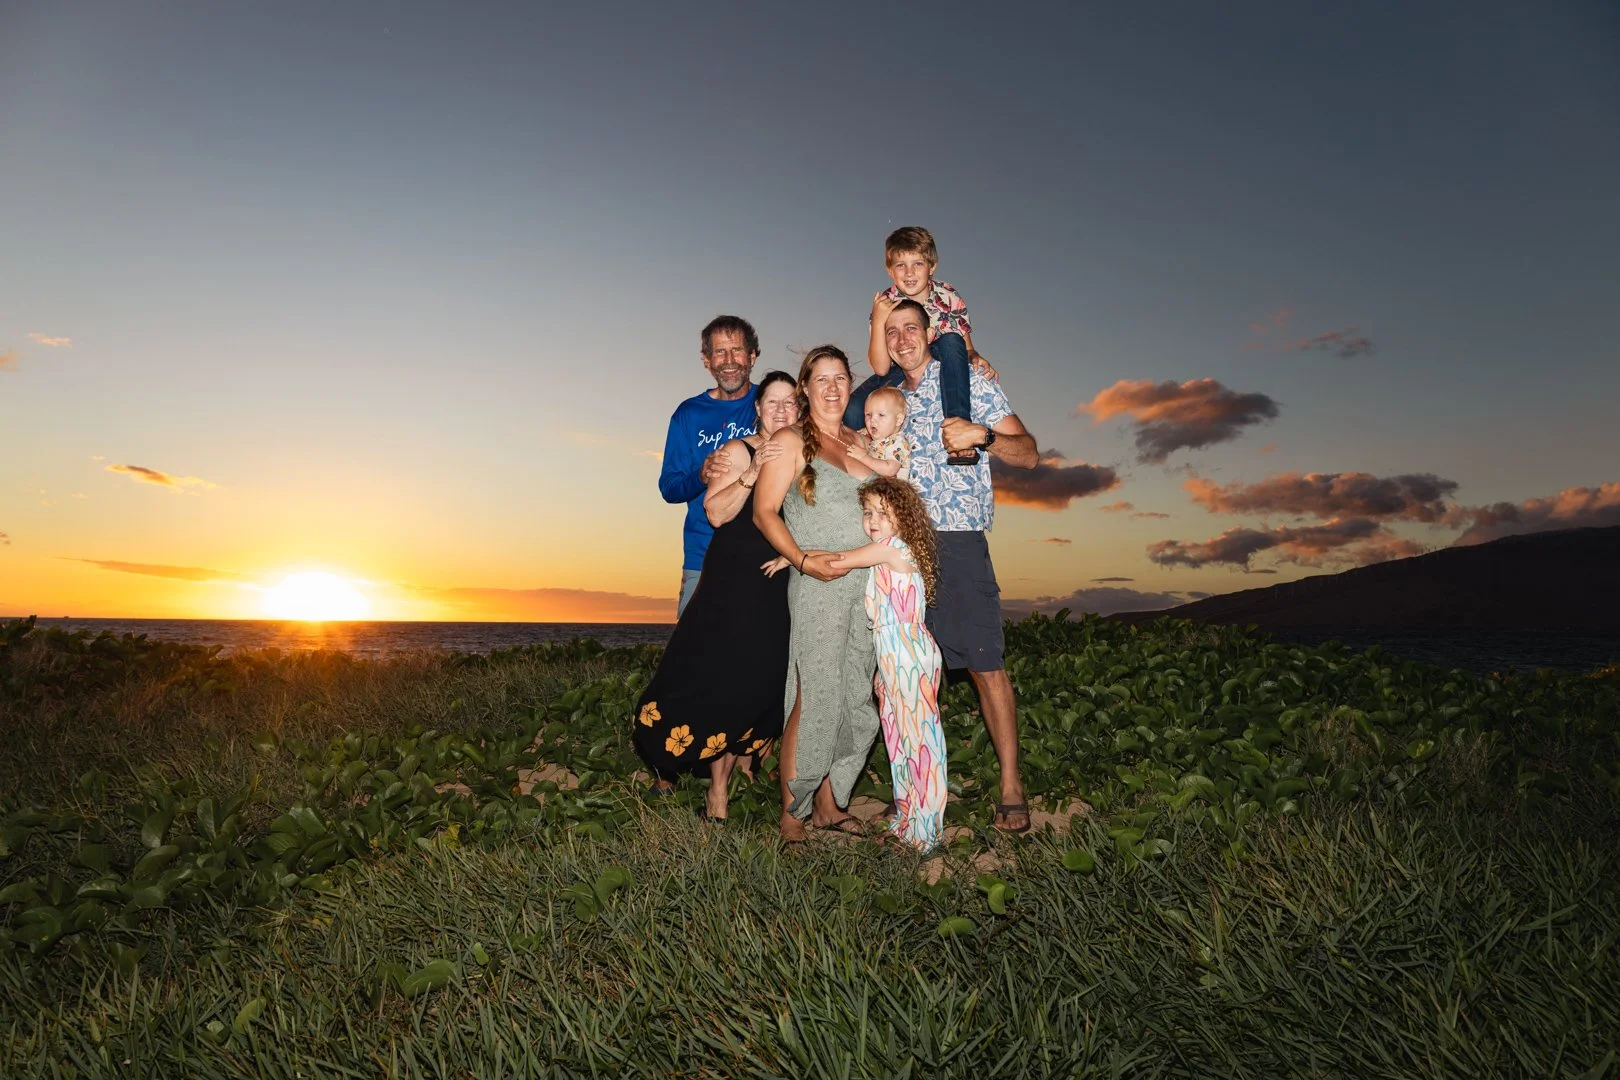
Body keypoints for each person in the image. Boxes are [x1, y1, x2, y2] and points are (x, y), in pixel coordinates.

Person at [884, 298, 1041, 834]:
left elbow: (1030, 453)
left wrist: (983, 436)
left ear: (929, 333)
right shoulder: (887, 400)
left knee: (984, 664)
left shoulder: (968, 383)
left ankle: (1011, 785)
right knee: (908, 675)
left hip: (958, 540)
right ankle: (916, 786)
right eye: (891, 331)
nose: (902, 339)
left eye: (911, 327)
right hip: (900, 550)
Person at [633, 372, 801, 818]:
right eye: (772, 402)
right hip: (731, 581)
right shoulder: (737, 450)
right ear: (758, 408)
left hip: (778, 583)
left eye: (790, 402)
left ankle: (747, 766)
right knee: (719, 676)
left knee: (760, 678)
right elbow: (715, 512)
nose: (781, 410)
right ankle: (717, 792)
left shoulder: (804, 455)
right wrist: (753, 470)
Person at [753, 345, 880, 842]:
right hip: (819, 585)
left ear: (850, 385)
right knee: (815, 696)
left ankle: (828, 805)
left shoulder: (860, 440)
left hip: (867, 585)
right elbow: (764, 512)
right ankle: (792, 817)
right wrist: (802, 559)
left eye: (840, 378)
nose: (831, 387)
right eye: (821, 378)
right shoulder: (790, 440)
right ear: (805, 388)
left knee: (852, 694)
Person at [827, 477, 946, 852]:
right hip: (893, 656)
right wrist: (882, 669)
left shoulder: (894, 548)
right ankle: (906, 820)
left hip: (910, 654)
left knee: (921, 744)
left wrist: (792, 555)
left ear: (903, 516)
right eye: (867, 512)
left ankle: (925, 834)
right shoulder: (885, 553)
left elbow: (841, 560)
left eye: (883, 512)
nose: (873, 520)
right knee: (898, 742)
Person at [844, 226, 997, 466]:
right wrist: (880, 319)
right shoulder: (885, 303)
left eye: (918, 264)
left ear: (931, 267)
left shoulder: (948, 296)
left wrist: (975, 356)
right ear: (890, 270)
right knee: (852, 410)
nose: (909, 272)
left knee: (951, 339)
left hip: (942, 356)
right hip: (898, 365)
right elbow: (881, 368)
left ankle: (959, 427)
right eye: (900, 265)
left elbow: (966, 346)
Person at [659, 315, 761, 617]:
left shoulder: (772, 403)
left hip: (761, 556)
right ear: (707, 360)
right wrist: (700, 475)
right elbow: (669, 488)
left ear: (752, 356)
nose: (729, 360)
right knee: (691, 646)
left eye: (737, 350)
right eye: (719, 352)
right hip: (702, 558)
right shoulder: (688, 414)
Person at [845, 386, 912, 480]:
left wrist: (864, 457)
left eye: (881, 415)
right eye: (868, 415)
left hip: (894, 489)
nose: (872, 419)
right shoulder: (882, 437)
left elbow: (890, 470)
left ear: (898, 420)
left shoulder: (898, 443)